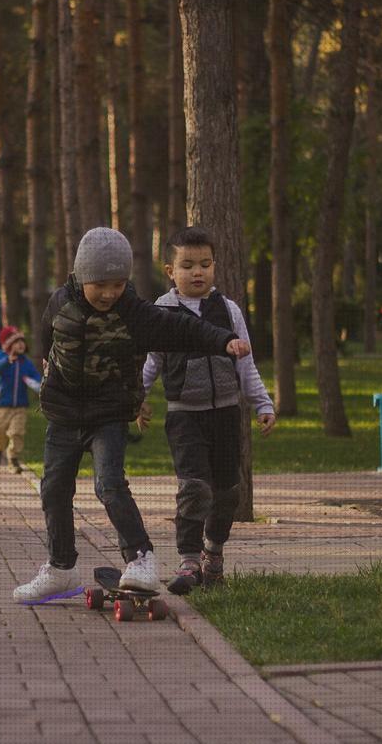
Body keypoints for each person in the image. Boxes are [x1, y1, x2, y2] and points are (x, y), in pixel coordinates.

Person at [13, 227, 252, 605]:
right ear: (81, 277)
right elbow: (47, 337)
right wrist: (46, 366)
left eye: (118, 284)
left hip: (108, 414)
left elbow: (181, 327)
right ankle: (60, 568)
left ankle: (140, 559)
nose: (109, 294)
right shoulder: (61, 302)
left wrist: (222, 340)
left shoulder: (135, 314)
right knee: (54, 489)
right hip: (63, 415)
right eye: (100, 285)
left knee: (108, 484)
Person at [137, 226, 276, 595]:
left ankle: (213, 553)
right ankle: (188, 560)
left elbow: (246, 364)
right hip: (185, 415)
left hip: (227, 414)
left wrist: (262, 403)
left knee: (228, 491)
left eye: (205, 264)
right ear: (171, 271)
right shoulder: (162, 312)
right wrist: (136, 398)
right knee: (194, 487)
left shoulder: (227, 310)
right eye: (188, 265)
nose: (197, 272)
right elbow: (150, 363)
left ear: (214, 266)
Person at [0, 325, 42, 472]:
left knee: (17, 432)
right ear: (7, 345)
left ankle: (13, 459)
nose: (20, 344)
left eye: (22, 341)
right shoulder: (1, 356)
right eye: (16, 342)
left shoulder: (26, 362)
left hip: (20, 405)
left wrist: (41, 385)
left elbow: (36, 378)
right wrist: (8, 361)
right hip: (2, 404)